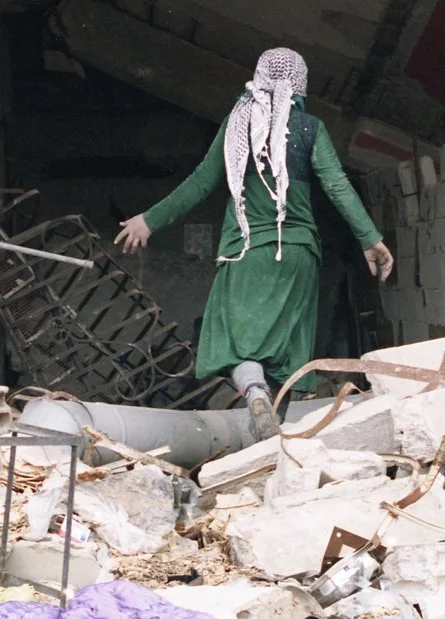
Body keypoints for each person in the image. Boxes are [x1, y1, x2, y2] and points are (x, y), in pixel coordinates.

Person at [116, 47, 394, 439]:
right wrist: (371, 239)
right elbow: (337, 184)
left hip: (247, 253)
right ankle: (276, 429)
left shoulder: (237, 126)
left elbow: (200, 182)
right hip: (299, 255)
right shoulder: (310, 129)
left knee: (232, 343)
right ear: (300, 84)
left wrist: (150, 219)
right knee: (283, 352)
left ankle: (255, 396)